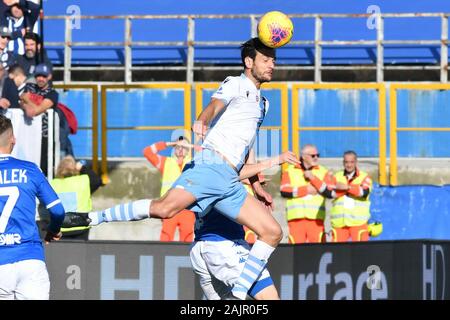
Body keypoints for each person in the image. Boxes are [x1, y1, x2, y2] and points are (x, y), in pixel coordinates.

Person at [63, 37, 300, 300]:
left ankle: (241, 293)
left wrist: (256, 186)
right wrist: (201, 120)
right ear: (248, 62)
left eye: (274, 61)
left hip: (230, 180)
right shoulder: (236, 83)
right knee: (164, 209)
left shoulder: (263, 104)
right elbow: (213, 107)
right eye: (266, 60)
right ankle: (92, 218)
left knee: (273, 232)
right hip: (210, 168)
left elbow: (246, 147)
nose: (272, 65)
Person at [0, 114, 65, 300]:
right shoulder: (30, 170)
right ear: (12, 139)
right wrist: (53, 230)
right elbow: (58, 210)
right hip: (29, 258)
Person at [143, 136, 196, 242]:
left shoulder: (194, 164)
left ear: (188, 149)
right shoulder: (166, 162)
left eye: (184, 147)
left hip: (188, 208)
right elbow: (147, 152)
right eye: (177, 147)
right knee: (166, 238)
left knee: (187, 239)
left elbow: (209, 153)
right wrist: (167, 144)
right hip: (169, 208)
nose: (181, 149)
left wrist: (191, 146)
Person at [280, 144, 332, 244]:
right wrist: (306, 190)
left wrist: (314, 179)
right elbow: (284, 191)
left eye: (318, 155)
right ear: (304, 156)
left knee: (317, 252)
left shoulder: (323, 171)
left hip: (316, 219)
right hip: (296, 219)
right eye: (313, 155)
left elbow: (329, 191)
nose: (316, 157)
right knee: (296, 252)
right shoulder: (290, 171)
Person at [47, 155, 103, 237]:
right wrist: (82, 168)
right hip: (81, 227)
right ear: (75, 168)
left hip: (59, 229)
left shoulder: (52, 184)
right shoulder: (84, 180)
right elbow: (97, 180)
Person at [328, 150, 373, 242]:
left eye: (352, 162)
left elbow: (363, 193)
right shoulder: (336, 176)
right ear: (343, 162)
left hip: (358, 223)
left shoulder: (364, 177)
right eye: (346, 162)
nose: (349, 165)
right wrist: (354, 189)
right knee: (337, 253)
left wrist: (345, 187)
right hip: (340, 224)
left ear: (356, 162)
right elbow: (329, 193)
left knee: (361, 253)